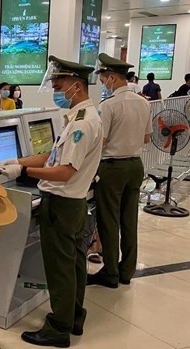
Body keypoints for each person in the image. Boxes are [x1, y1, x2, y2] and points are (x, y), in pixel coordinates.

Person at [0, 56, 102, 348]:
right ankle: (74, 316)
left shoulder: (83, 124)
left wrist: (23, 171)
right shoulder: (79, 118)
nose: (56, 90)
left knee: (60, 268)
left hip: (62, 203)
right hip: (73, 204)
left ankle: (59, 329)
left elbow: (64, 171)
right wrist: (18, 160)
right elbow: (52, 157)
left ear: (76, 86)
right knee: (74, 264)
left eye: (60, 85)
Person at [87, 54, 152, 289]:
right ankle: (127, 271)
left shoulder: (108, 105)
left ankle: (111, 272)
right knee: (129, 219)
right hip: (136, 165)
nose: (104, 84)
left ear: (113, 78)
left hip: (112, 168)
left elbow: (100, 142)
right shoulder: (144, 102)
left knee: (109, 221)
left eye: (104, 79)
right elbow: (146, 137)